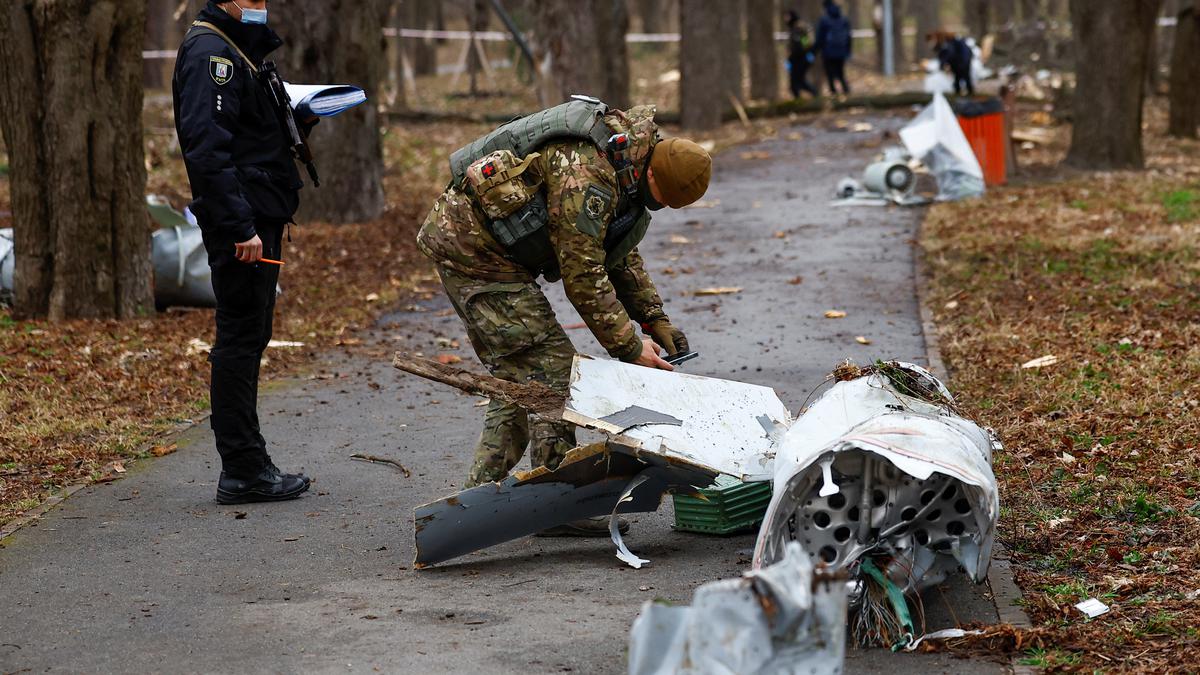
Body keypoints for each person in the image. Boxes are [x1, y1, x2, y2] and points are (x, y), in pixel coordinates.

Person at [417, 97, 711, 536]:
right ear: (652, 172)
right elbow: (583, 274)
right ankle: (554, 503)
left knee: (522, 380)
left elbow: (617, 250)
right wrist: (629, 348)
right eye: (661, 199)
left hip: (498, 255)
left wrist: (654, 318)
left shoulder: (627, 161)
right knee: (554, 372)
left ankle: (477, 504)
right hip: (473, 254)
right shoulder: (588, 174)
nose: (658, 207)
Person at [173, 0, 313, 504]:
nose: (261, 6)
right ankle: (244, 469)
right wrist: (239, 226)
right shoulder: (213, 53)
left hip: (256, 212)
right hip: (244, 222)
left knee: (251, 334)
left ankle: (249, 464)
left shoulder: (235, 47)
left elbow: (247, 134)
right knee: (239, 338)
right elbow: (207, 150)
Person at [815, 0, 853, 95]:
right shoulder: (844, 19)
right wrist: (848, 51)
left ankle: (833, 93)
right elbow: (849, 37)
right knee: (840, 73)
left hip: (828, 52)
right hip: (842, 51)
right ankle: (846, 91)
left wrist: (814, 51)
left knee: (830, 74)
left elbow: (820, 38)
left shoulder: (824, 20)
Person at [786, 11, 818, 99]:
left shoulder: (800, 28)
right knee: (795, 82)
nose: (786, 19)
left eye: (788, 17)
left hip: (802, 58)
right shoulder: (793, 28)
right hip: (795, 58)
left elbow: (806, 43)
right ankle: (799, 99)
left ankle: (815, 94)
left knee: (799, 80)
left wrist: (804, 52)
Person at [932, 31, 975, 97]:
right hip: (962, 63)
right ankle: (964, 93)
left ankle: (967, 93)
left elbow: (949, 54)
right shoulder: (955, 42)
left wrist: (943, 63)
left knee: (963, 78)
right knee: (961, 78)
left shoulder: (952, 44)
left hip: (962, 63)